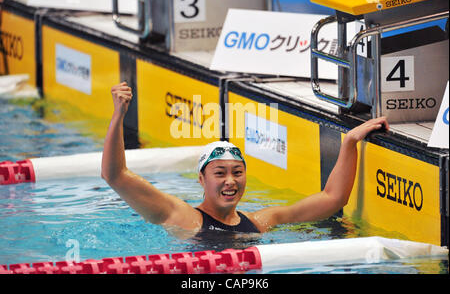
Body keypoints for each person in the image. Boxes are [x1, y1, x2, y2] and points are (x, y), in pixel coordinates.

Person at [102, 82, 389, 239]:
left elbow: (332, 198)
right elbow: (116, 176)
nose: (230, 181)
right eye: (220, 173)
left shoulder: (260, 222)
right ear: (201, 179)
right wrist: (118, 117)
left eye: (237, 172)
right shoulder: (180, 215)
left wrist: (350, 141)